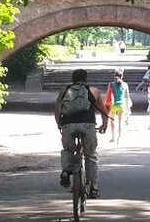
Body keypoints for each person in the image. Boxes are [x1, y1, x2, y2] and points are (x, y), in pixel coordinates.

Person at [55, 69, 109, 198]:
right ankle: (94, 187)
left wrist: (59, 124)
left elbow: (57, 109)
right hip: (88, 125)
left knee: (68, 150)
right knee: (91, 155)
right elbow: (103, 110)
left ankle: (66, 171)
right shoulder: (93, 91)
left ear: (72, 78)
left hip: (68, 125)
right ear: (86, 78)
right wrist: (104, 124)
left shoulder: (65, 90)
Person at [106, 69, 131, 143]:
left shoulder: (111, 84)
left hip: (113, 105)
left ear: (114, 76)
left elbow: (108, 95)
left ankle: (113, 137)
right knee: (120, 122)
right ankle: (119, 139)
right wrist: (128, 108)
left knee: (112, 121)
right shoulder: (125, 85)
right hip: (121, 105)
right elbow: (127, 97)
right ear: (122, 76)